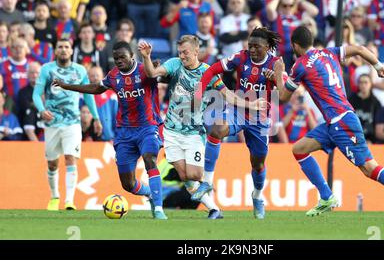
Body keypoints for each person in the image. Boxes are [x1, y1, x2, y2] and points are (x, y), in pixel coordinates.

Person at [272, 25, 384, 225]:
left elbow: (284, 97)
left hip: (342, 122)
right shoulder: (329, 52)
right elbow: (360, 49)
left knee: (368, 168)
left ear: (295, 45)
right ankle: (327, 196)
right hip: (334, 121)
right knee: (299, 149)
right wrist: (378, 65)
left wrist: (279, 73)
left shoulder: (300, 65)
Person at [137, 35, 266, 219]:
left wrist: (251, 104)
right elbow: (152, 73)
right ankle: (214, 210)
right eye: (180, 52)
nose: (182, 56)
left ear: (196, 51)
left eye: (186, 52)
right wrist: (146, 57)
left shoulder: (208, 72)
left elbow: (228, 95)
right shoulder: (174, 64)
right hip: (172, 131)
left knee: (194, 174)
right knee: (185, 177)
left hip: (194, 133)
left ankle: (210, 195)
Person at [52, 41, 168, 219]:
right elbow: (96, 88)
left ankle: (159, 209)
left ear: (132, 56)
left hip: (148, 127)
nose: (119, 61)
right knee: (128, 184)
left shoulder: (146, 69)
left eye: (122, 57)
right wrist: (68, 86)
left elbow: (163, 75)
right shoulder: (113, 76)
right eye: (116, 58)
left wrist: (151, 61)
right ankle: (150, 194)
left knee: (149, 159)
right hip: (124, 132)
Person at [193, 27, 286, 219]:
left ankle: (258, 196)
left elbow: (283, 97)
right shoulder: (240, 57)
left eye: (256, 47)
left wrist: (276, 78)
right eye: (250, 45)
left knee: (258, 163)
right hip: (238, 110)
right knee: (217, 129)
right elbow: (212, 70)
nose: (252, 50)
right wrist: (199, 91)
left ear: (267, 47)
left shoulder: (276, 64)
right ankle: (207, 182)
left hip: (260, 119)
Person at [32, 38, 102, 211]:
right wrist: (41, 110)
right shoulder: (47, 70)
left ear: (72, 51)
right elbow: (36, 94)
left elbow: (88, 95)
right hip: (52, 123)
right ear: (56, 51)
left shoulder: (79, 71)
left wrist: (96, 117)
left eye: (66, 47)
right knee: (52, 163)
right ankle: (55, 196)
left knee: (71, 158)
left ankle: (69, 201)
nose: (63, 49)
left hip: (72, 123)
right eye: (60, 47)